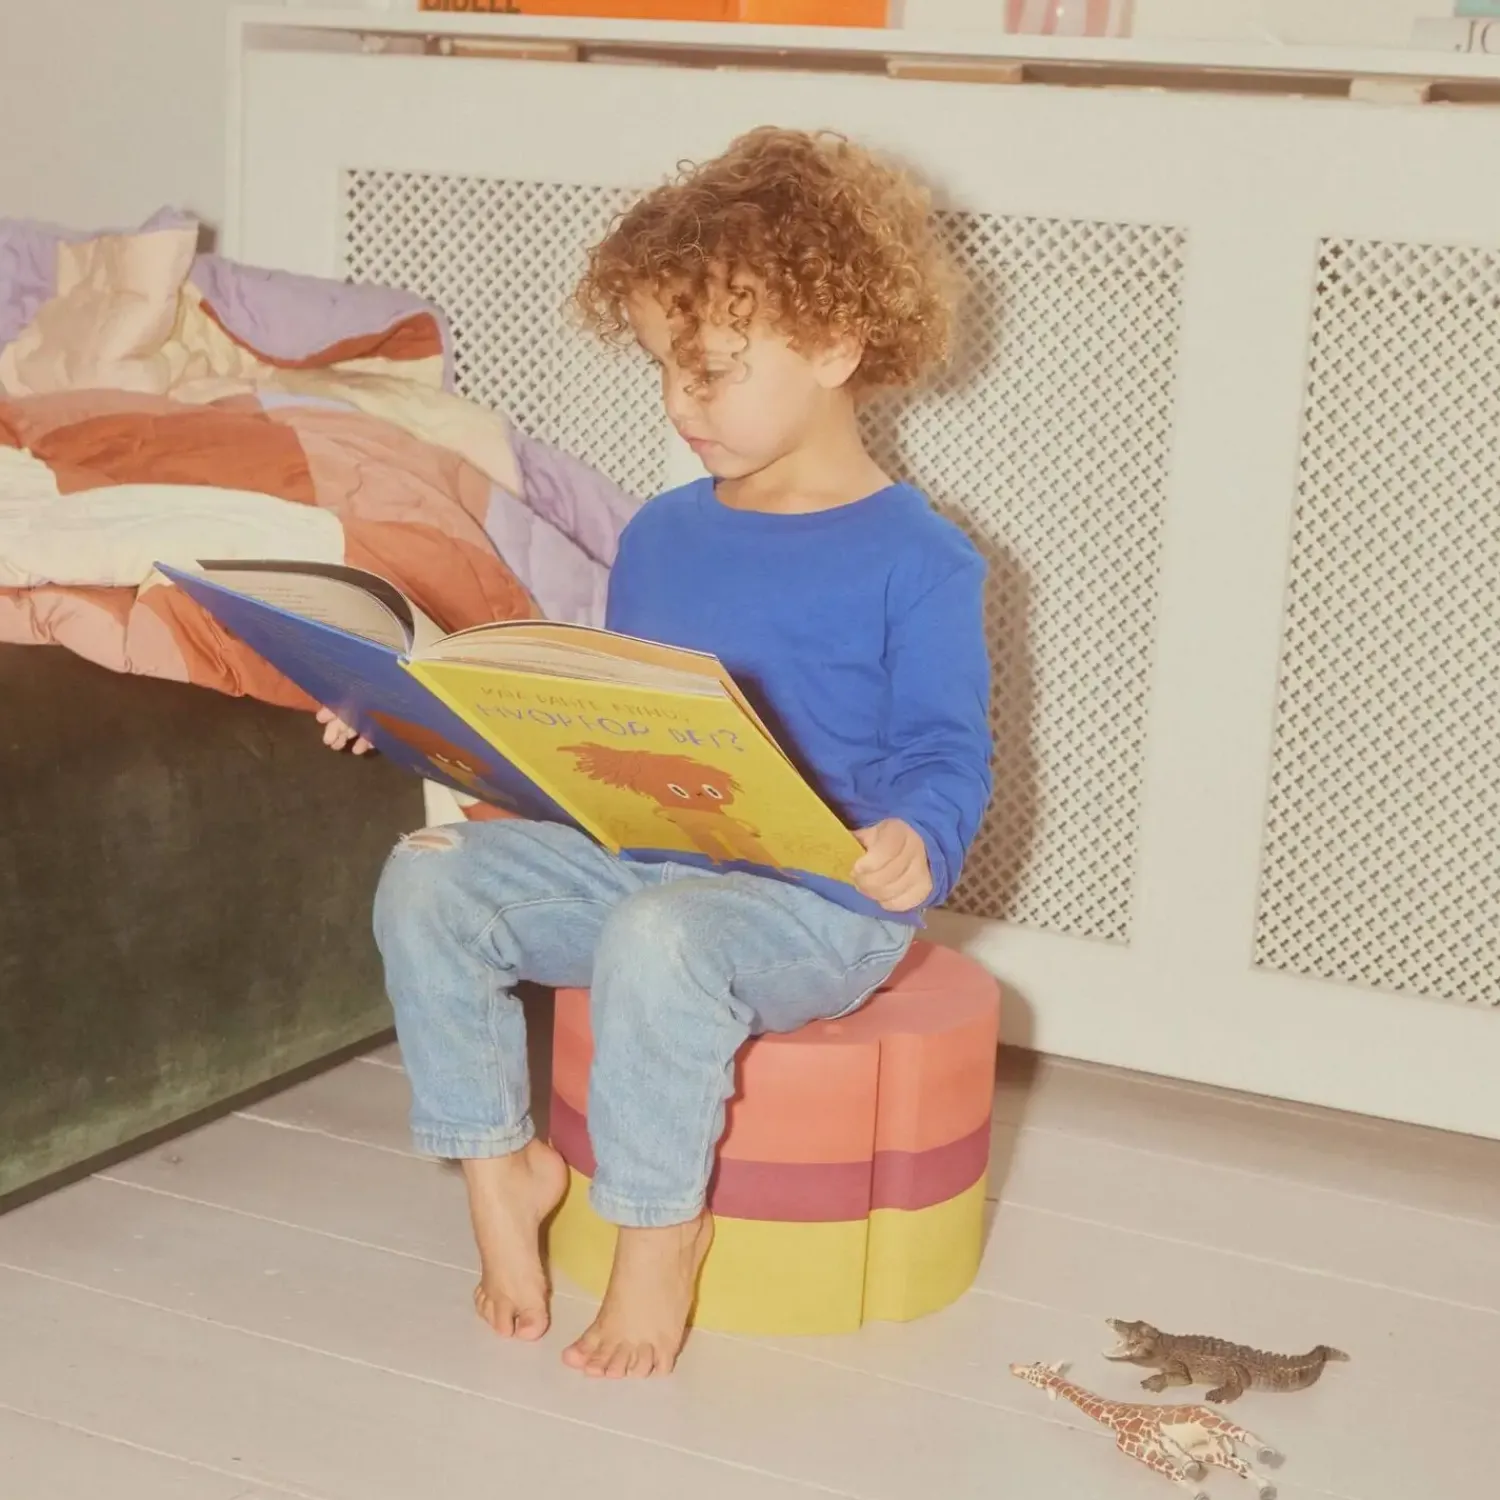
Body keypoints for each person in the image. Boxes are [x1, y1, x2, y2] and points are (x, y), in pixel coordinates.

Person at [323, 127, 993, 1378]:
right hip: (649, 867)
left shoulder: (922, 559)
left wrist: (918, 835)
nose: (683, 405)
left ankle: (658, 1231)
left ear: (837, 346)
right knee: (428, 880)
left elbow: (947, 749)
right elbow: (616, 729)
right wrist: (424, 717)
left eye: (715, 371)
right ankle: (500, 1168)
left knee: (661, 937)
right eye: (665, 372)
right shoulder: (664, 535)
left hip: (820, 905)